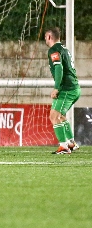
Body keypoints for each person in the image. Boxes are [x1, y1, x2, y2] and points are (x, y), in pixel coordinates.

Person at [44, 27, 80, 155]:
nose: (45, 39)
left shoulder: (54, 50)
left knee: (54, 116)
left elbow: (59, 69)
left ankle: (64, 147)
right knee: (61, 116)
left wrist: (57, 88)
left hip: (67, 89)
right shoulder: (64, 49)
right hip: (74, 88)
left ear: (49, 36)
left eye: (45, 37)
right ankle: (71, 143)